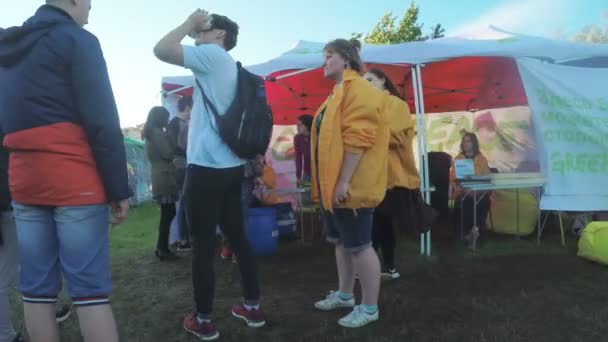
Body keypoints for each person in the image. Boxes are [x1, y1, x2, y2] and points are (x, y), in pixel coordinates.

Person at [0, 2, 130, 342]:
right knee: (89, 291)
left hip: (24, 180)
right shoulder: (78, 40)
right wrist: (118, 189)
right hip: (75, 180)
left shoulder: (7, 48)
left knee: (36, 288)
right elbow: (102, 121)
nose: (91, 5)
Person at [154, 9, 265, 340]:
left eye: (204, 30)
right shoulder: (227, 66)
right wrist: (193, 29)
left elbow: (160, 49)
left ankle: (203, 320)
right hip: (231, 168)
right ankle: (252, 307)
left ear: (220, 36)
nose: (196, 35)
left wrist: (189, 24)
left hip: (206, 171)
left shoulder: (212, 55)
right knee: (240, 240)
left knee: (203, 246)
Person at [311, 39, 389, 328]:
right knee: (342, 244)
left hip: (351, 186)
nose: (324, 61)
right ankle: (345, 295)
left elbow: (359, 138)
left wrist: (344, 181)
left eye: (329, 56)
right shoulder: (337, 92)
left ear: (346, 60)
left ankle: (369, 308)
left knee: (359, 246)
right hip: (335, 187)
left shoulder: (359, 89)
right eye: (324, 56)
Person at [364, 68, 420, 280]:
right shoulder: (371, 106)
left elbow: (396, 137)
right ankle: (379, 266)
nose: (366, 83)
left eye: (370, 79)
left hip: (390, 176)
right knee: (377, 222)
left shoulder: (395, 104)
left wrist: (365, 135)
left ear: (383, 81)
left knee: (380, 222)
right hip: (373, 176)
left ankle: (386, 266)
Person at [143, 106, 180, 261]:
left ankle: (161, 247)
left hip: (161, 174)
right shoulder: (157, 133)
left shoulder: (151, 132)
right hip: (164, 176)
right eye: (166, 117)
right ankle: (162, 249)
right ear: (160, 118)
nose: (167, 120)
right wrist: (171, 136)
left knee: (167, 213)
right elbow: (168, 153)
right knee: (168, 213)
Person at [450, 133, 491, 249]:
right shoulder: (458, 159)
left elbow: (486, 177)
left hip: (479, 192)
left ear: (474, 143)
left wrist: (477, 191)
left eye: (468, 141)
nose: (465, 143)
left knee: (485, 201)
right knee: (467, 202)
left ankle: (473, 231)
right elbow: (453, 178)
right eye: (464, 141)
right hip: (463, 192)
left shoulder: (482, 159)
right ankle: (472, 231)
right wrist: (463, 189)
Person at [168, 96, 192, 252]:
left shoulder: (183, 123)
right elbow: (174, 147)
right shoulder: (174, 123)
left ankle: (187, 238)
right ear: (188, 108)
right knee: (184, 203)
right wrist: (188, 151)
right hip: (180, 167)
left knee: (187, 203)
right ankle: (184, 240)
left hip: (186, 165)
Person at [294, 115, 313, 186]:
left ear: (307, 126)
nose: (297, 128)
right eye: (297, 125)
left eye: (300, 125)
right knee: (304, 196)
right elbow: (298, 158)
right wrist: (298, 177)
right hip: (307, 174)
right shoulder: (297, 138)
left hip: (320, 174)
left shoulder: (317, 137)